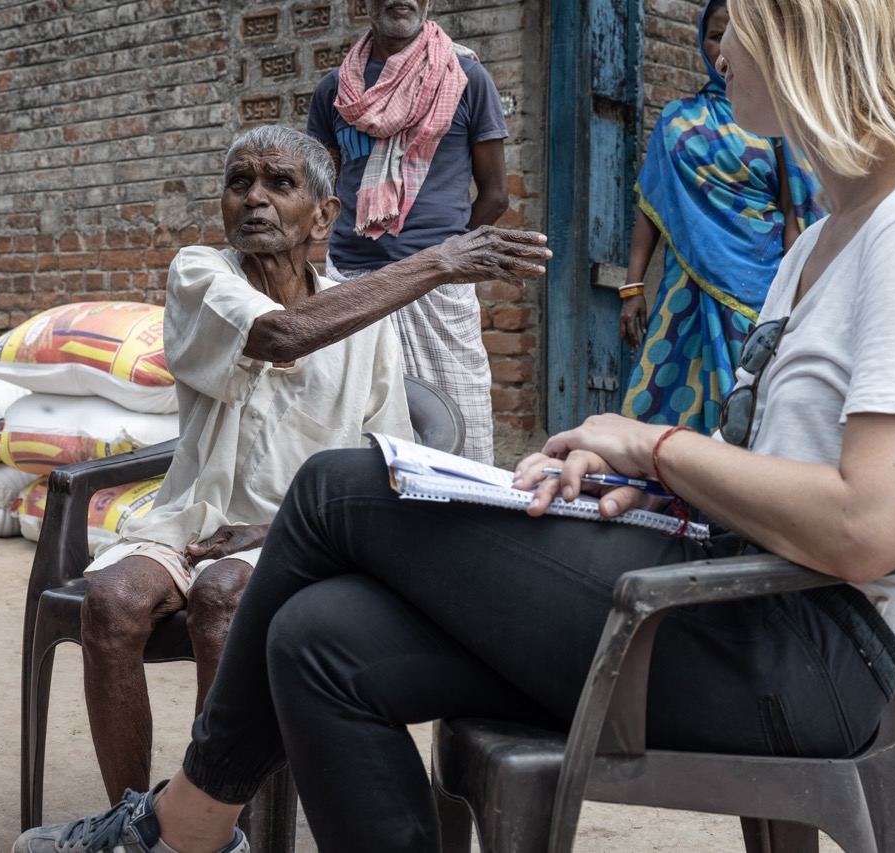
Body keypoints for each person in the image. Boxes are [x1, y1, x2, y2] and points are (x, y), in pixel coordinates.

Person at [15, 0, 895, 851]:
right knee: (315, 637)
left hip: (793, 654)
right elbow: (799, 469)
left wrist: (651, 443)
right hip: (729, 599)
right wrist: (653, 485)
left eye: (740, 22)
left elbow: (868, 524)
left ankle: (184, 826)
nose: (717, 42)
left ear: (811, 31)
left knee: (333, 489)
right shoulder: (832, 232)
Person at [78, 123, 552, 807]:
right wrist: (438, 262)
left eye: (279, 182)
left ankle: (215, 823)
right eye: (239, 182)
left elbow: (381, 461)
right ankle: (130, 820)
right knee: (111, 601)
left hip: (296, 541)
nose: (254, 198)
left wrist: (275, 530)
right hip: (192, 518)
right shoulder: (200, 272)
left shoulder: (370, 321)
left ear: (324, 216)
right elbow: (279, 334)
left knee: (223, 599)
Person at [306, 0, 510, 464]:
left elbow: (496, 195)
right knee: (355, 432)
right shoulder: (335, 90)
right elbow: (317, 194)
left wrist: (448, 259)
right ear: (361, 4)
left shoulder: (465, 78)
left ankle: (460, 529)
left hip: (437, 286)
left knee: (461, 430)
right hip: (350, 284)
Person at [619, 0, 824, 433]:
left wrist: (791, 294)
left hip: (758, 287)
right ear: (702, 41)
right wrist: (632, 287)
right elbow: (652, 206)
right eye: (715, 36)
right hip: (685, 288)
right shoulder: (678, 118)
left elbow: (794, 213)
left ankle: (732, 490)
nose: (724, 50)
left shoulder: (775, 118)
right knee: (662, 398)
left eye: (739, 36)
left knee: (752, 402)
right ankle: (661, 486)